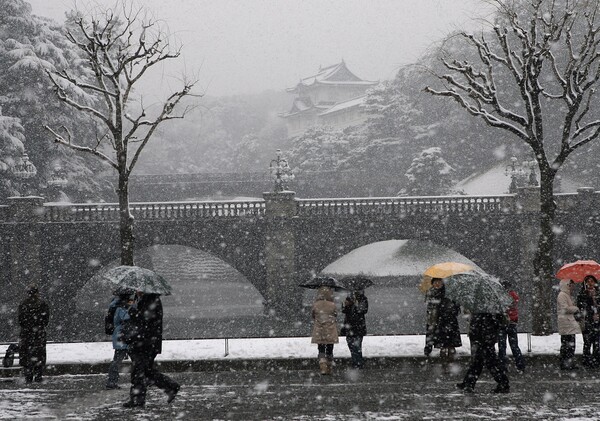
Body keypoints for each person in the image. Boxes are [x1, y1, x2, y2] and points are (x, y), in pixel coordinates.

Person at [123, 291, 180, 408]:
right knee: (146, 371)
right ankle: (170, 387)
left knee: (139, 371)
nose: (136, 291)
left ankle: (137, 400)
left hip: (145, 343)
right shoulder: (146, 300)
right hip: (145, 342)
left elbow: (145, 319)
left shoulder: (151, 301)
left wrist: (132, 310)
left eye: (138, 289)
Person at [457, 312, 510, 393]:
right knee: (479, 362)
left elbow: (488, 324)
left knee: (490, 363)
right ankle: (468, 383)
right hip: (485, 338)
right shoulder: (488, 311)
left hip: (485, 339)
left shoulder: (486, 313)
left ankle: (503, 383)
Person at [18, 284, 50, 383]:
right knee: (39, 355)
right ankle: (38, 376)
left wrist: (28, 327)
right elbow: (46, 320)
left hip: (26, 334)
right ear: (37, 293)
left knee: (27, 356)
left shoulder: (23, 304)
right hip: (38, 334)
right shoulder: (42, 304)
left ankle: (28, 376)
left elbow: (20, 320)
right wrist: (38, 326)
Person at [426, 278, 462, 362]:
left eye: (439, 282)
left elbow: (455, 305)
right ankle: (444, 362)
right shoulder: (431, 292)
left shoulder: (448, 292)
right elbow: (429, 307)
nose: (437, 284)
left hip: (450, 320)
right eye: (435, 282)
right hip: (439, 320)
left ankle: (450, 360)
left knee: (450, 344)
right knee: (442, 344)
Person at [105, 291, 132, 389]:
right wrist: (131, 309)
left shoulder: (115, 305)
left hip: (121, 335)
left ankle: (112, 381)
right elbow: (127, 318)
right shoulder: (120, 307)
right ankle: (111, 382)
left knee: (118, 358)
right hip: (122, 335)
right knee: (118, 359)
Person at [497, 281, 526, 372]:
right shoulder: (513, 296)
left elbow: (500, 310)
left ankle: (502, 366)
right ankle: (520, 365)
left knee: (502, 347)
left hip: (503, 323)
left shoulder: (500, 296)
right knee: (514, 346)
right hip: (512, 323)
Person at [311, 286, 338, 375]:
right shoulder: (332, 304)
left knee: (321, 348)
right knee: (330, 349)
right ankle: (329, 366)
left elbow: (313, 315)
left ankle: (323, 366)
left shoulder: (316, 304)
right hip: (330, 330)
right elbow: (335, 315)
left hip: (320, 330)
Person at [557, 279, 581, 370]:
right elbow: (565, 308)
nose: (572, 287)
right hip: (566, 323)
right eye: (571, 285)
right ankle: (566, 363)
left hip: (568, 323)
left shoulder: (566, 295)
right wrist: (575, 308)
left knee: (569, 345)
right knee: (567, 345)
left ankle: (568, 362)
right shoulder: (562, 295)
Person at [341, 289, 368, 369]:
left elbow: (363, 310)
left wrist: (355, 305)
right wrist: (346, 305)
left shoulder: (363, 299)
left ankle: (358, 363)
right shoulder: (349, 298)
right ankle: (355, 362)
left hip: (358, 326)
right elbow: (344, 311)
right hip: (349, 326)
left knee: (357, 346)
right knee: (351, 345)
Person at [576, 275, 600, 368]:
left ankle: (596, 360)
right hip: (587, 321)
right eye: (588, 281)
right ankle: (586, 360)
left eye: (592, 281)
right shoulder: (582, 294)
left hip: (597, 321)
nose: (590, 283)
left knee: (597, 342)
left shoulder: (598, 293)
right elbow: (580, 308)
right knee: (587, 342)